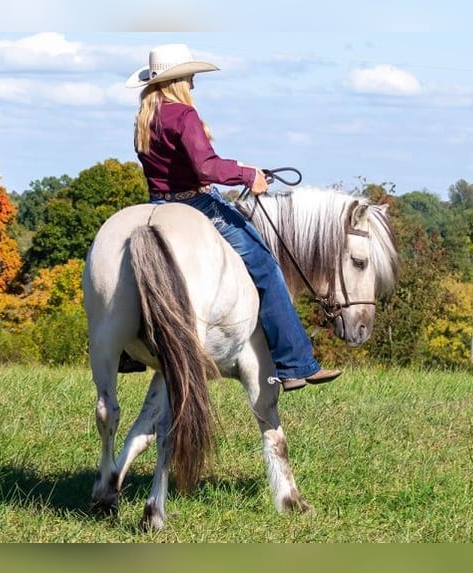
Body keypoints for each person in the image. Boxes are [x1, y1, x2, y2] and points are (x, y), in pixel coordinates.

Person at [123, 43, 340, 392]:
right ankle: (295, 363)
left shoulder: (145, 116)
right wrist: (247, 174)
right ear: (180, 79)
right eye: (190, 77)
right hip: (196, 205)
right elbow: (205, 167)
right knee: (266, 268)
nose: (193, 83)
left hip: (155, 205)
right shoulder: (183, 114)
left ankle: (128, 350)